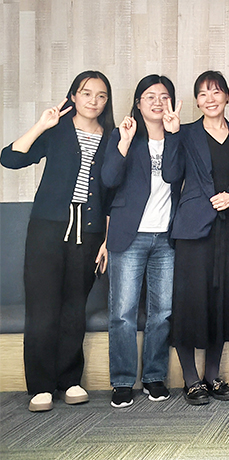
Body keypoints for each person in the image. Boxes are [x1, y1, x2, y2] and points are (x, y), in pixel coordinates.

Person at [1, 71, 115, 412]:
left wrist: (106, 241)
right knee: (43, 308)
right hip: (48, 230)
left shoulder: (112, 137)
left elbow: (112, 194)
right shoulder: (57, 130)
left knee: (74, 309)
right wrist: (41, 125)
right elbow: (10, 158)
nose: (93, 101)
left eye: (101, 95)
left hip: (90, 232)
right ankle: (41, 386)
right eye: (86, 93)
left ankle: (70, 380)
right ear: (73, 96)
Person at [162, 71, 229, 405]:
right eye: (202, 94)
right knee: (189, 303)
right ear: (197, 101)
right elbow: (171, 174)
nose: (210, 99)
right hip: (193, 229)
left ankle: (212, 376)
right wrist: (172, 135)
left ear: (227, 96)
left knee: (223, 301)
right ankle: (191, 379)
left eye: (216, 92)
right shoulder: (185, 133)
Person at [103, 75, 183, 408]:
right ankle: (122, 381)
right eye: (150, 96)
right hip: (129, 235)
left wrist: (174, 135)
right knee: (122, 313)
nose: (157, 102)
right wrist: (123, 143)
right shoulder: (123, 135)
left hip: (166, 237)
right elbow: (108, 179)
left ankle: (154, 376)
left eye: (164, 96)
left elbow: (174, 175)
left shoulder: (179, 135)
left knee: (162, 312)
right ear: (138, 103)